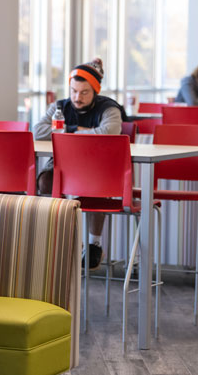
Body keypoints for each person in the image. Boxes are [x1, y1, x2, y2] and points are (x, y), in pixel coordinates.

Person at [33, 58, 126, 270]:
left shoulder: (109, 108)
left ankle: (94, 244)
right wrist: (77, 131)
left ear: (95, 91)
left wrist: (64, 130)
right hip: (61, 165)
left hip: (96, 167)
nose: (77, 97)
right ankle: (66, 236)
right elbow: (38, 130)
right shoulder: (59, 106)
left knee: (95, 189)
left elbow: (109, 132)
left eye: (84, 92)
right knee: (45, 182)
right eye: (74, 91)